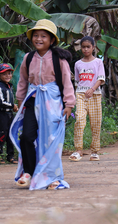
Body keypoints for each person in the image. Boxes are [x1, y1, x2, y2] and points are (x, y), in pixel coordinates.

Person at [11, 19, 75, 190]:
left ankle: (51, 176)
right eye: (36, 36)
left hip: (52, 103)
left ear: (52, 40)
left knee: (50, 141)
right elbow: (23, 81)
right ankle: (30, 172)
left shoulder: (59, 59)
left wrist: (69, 104)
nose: (39, 39)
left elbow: (67, 83)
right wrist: (20, 101)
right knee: (26, 137)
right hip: (32, 101)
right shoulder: (28, 58)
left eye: (43, 36)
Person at [69, 36, 105, 162]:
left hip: (95, 95)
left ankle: (94, 151)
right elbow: (77, 81)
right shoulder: (78, 64)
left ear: (93, 47)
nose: (85, 49)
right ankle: (78, 150)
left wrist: (92, 89)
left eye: (88, 47)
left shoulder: (98, 62)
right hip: (80, 94)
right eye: (83, 47)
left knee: (95, 123)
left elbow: (100, 78)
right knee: (79, 120)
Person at [0, 63, 18, 164]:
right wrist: (12, 106)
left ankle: (10, 156)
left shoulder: (9, 87)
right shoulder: (0, 88)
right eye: (4, 74)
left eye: (9, 73)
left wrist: (13, 107)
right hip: (1, 115)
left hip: (9, 114)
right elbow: (1, 102)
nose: (8, 76)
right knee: (1, 135)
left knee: (10, 135)